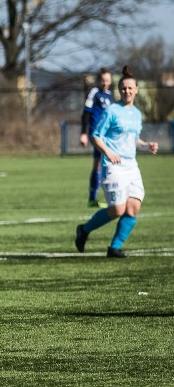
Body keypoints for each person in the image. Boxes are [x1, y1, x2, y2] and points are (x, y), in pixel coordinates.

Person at [75, 66, 158, 258]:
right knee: (118, 209)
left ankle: (114, 247)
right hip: (113, 166)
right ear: (118, 90)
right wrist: (108, 153)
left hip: (131, 165)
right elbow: (96, 136)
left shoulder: (137, 114)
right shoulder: (112, 110)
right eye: (123, 89)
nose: (127, 91)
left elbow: (133, 139)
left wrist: (146, 145)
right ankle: (84, 230)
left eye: (130, 88)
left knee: (133, 207)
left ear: (136, 89)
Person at [79, 68, 113, 208]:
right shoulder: (94, 93)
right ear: (99, 80)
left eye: (108, 80)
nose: (105, 83)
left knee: (103, 163)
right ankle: (93, 198)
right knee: (100, 162)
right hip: (96, 134)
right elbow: (86, 114)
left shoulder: (111, 96)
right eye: (103, 80)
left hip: (108, 135)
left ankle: (97, 198)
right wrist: (83, 133)